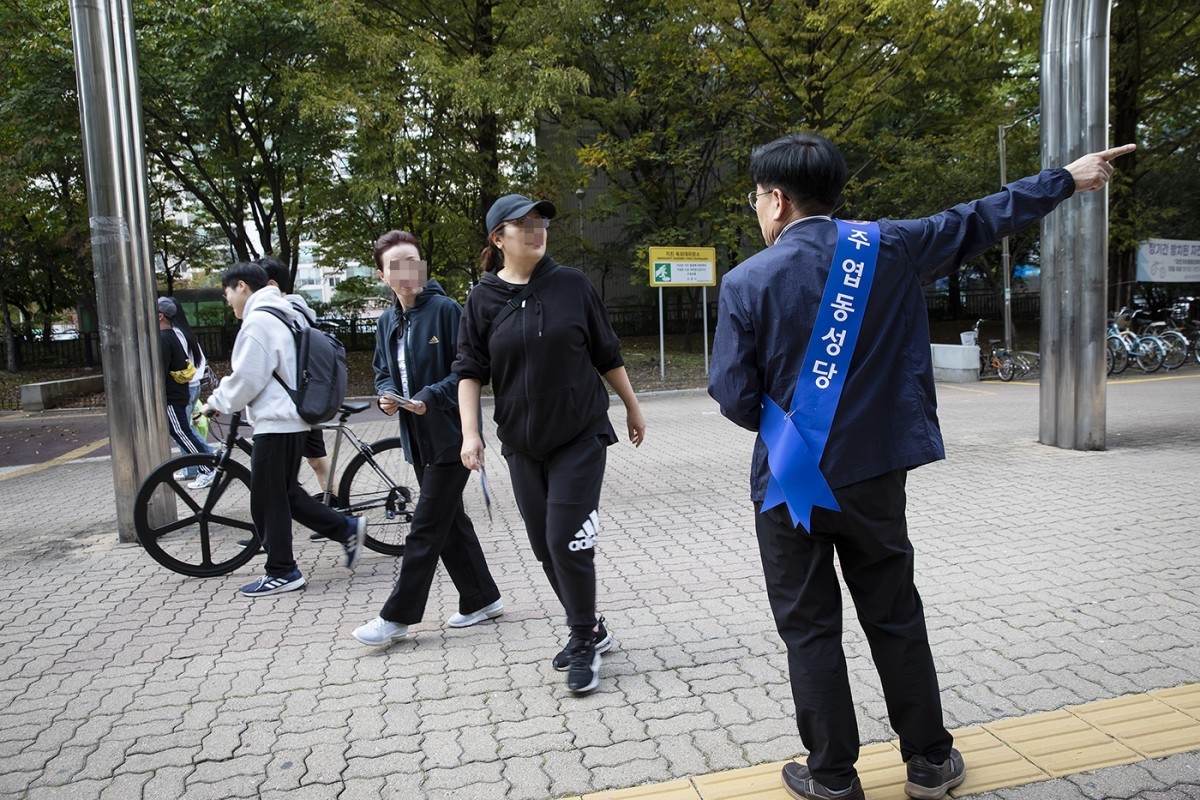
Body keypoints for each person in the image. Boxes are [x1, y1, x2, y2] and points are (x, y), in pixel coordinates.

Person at [708, 134, 1135, 800]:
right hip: (876, 476)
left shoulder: (745, 281)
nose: (757, 209)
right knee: (894, 614)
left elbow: (734, 395)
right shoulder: (891, 246)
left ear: (779, 200)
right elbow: (983, 216)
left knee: (810, 629)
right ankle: (930, 762)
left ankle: (832, 778)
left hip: (789, 486)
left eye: (757, 198)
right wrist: (1067, 178)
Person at [454, 194, 646, 695]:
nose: (536, 230)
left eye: (540, 222)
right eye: (523, 224)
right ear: (498, 238)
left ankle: (582, 638)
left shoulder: (572, 285)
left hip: (580, 434)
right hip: (521, 442)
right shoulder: (481, 300)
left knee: (567, 539)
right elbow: (469, 371)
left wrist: (631, 405)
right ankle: (592, 626)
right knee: (545, 546)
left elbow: (606, 352)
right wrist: (471, 433)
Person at [352, 230, 504, 646]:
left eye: (412, 262)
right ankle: (482, 598)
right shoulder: (387, 321)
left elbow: (469, 370)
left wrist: (430, 397)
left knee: (424, 526)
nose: (406, 273)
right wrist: (387, 395)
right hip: (416, 438)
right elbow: (383, 370)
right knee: (449, 522)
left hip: (454, 436)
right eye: (395, 266)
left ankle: (397, 617)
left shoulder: (445, 309)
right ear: (382, 275)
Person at [200, 261, 367, 598]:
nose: (228, 301)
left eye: (227, 293)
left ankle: (282, 570)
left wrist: (216, 401)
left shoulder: (259, 321)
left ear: (242, 286)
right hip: (290, 420)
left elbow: (247, 377)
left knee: (267, 497)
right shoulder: (282, 314)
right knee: (286, 493)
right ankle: (345, 528)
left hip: (276, 423)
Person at [256, 256, 334, 497]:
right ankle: (335, 505)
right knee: (314, 459)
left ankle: (337, 508)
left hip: (297, 397)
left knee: (310, 462)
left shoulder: (287, 313)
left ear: (271, 285)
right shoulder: (297, 310)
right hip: (305, 393)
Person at [157, 297, 214, 489]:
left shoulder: (164, 338)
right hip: (181, 393)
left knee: (181, 432)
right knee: (184, 431)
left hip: (173, 396)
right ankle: (204, 466)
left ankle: (208, 467)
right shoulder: (173, 335)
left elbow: (161, 371)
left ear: (160, 316)